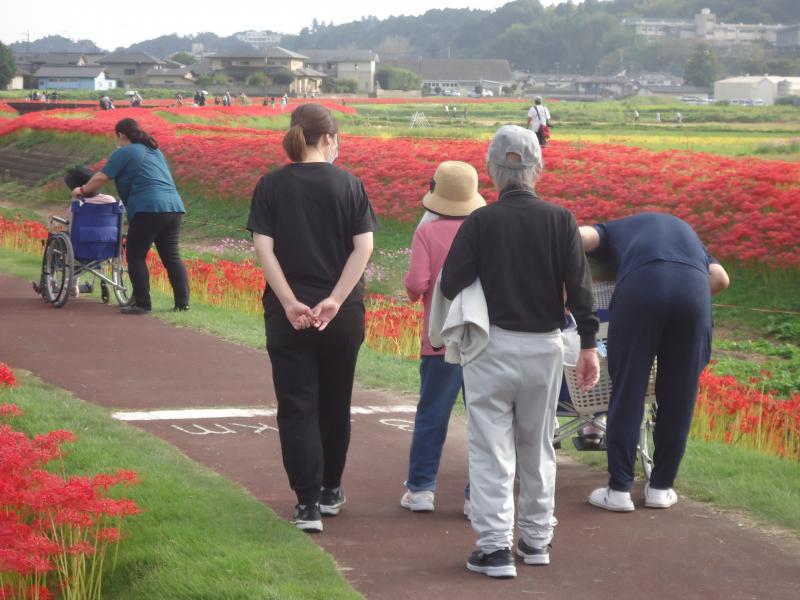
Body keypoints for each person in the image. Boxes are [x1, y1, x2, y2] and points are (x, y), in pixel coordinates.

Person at [440, 125, 599, 578]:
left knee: (491, 450)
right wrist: (588, 344)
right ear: (537, 169)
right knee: (538, 445)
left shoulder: (481, 221)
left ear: (492, 171)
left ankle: (494, 550)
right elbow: (580, 287)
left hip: (492, 347)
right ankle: (536, 540)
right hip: (546, 347)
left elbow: (451, 283)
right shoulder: (561, 219)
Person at [247, 103, 378, 533]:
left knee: (297, 406)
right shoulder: (350, 185)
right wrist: (336, 301)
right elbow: (363, 249)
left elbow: (263, 248)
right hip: (340, 316)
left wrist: (288, 302)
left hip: (289, 316)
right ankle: (330, 490)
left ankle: (306, 504)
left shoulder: (271, 185)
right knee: (335, 404)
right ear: (328, 139)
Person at [581, 213, 729, 512]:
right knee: (679, 396)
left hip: (641, 290)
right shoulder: (691, 241)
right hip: (693, 293)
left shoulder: (613, 229)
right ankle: (661, 488)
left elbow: (580, 236)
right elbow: (721, 279)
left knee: (628, 391)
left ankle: (619, 490)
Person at [400, 161, 485, 513]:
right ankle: (475, 496)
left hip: (438, 339)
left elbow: (417, 284)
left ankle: (421, 489)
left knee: (432, 413)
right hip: (481, 338)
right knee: (483, 419)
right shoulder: (485, 230)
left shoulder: (428, 231)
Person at [71, 118, 190, 315]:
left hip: (148, 208)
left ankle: (142, 303)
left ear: (120, 135)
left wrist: (82, 190)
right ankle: (182, 303)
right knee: (171, 256)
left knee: (135, 255)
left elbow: (101, 177)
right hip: (174, 207)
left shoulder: (124, 152)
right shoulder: (154, 150)